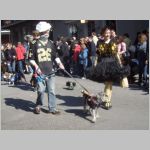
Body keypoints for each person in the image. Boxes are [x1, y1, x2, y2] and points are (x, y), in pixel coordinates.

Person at [29, 21, 65, 115]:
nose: (48, 33)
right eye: (46, 31)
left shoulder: (51, 43)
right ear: (41, 32)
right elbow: (31, 59)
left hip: (51, 71)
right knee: (41, 90)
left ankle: (52, 108)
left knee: (51, 90)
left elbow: (55, 56)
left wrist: (60, 63)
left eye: (48, 31)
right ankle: (38, 105)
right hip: (40, 72)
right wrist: (36, 67)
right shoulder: (34, 44)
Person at [95, 26, 130, 110]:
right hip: (103, 64)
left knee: (109, 83)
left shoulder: (113, 41)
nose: (107, 34)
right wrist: (96, 64)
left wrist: (120, 64)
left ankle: (107, 100)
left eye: (108, 32)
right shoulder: (99, 42)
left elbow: (116, 54)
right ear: (103, 33)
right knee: (107, 83)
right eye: (106, 32)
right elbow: (98, 54)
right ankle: (106, 99)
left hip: (112, 64)